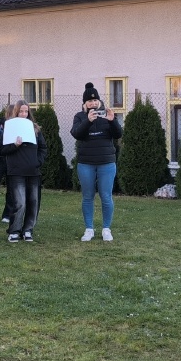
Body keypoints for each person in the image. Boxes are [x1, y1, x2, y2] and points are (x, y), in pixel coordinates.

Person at [70, 83, 122, 242]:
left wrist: (112, 121)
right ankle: (89, 229)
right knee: (88, 196)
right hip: (86, 163)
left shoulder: (107, 115)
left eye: (95, 101)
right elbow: (76, 134)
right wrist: (88, 121)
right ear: (85, 103)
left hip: (106, 162)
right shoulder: (80, 116)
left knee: (106, 196)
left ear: (99, 101)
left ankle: (106, 229)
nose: (93, 103)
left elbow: (118, 134)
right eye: (89, 101)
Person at [0, 101, 47, 242]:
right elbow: (1, 150)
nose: (24, 114)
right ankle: (14, 231)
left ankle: (28, 230)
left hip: (33, 171)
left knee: (33, 202)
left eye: (26, 111)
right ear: (16, 112)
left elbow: (43, 148)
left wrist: (38, 162)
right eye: (21, 111)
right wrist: (15, 145)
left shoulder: (35, 128)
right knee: (19, 203)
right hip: (16, 171)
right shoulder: (9, 127)